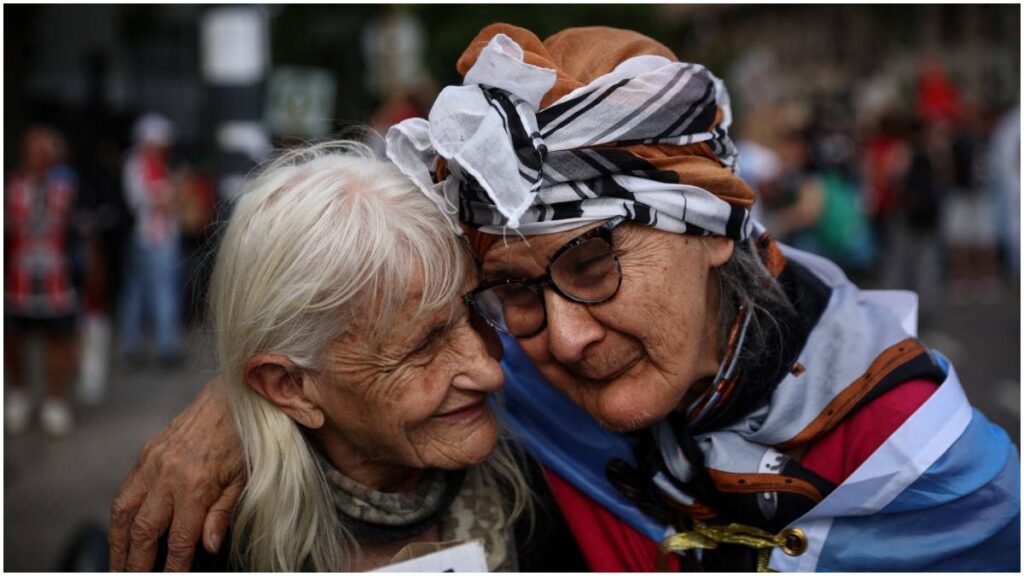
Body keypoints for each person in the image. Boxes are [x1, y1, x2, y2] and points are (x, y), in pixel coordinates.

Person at [110, 25, 1020, 572]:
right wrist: (241, 403)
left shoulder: (931, 472)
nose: (567, 341)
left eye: (593, 262)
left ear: (710, 230)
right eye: (507, 290)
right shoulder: (507, 373)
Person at [157, 141, 583, 571]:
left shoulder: (542, 487)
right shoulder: (210, 546)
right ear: (291, 387)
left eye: (477, 311)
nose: (489, 370)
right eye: (423, 346)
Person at [5, 125, 97, 436]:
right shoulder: (11, 186)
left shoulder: (68, 186)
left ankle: (55, 401)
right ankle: (19, 393)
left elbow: (84, 231)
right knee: (13, 338)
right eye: (34, 151)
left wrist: (89, 274)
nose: (40, 158)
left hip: (57, 278)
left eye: (46, 151)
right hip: (17, 279)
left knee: (57, 339)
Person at [119, 113, 184, 365]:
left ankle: (136, 345)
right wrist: (170, 197)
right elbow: (142, 200)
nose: (164, 147)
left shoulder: (156, 165)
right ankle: (163, 347)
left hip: (158, 236)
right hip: (151, 238)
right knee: (157, 291)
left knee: (141, 291)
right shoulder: (137, 165)